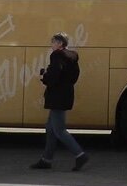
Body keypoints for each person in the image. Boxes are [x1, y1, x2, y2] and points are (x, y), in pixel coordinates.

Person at [30, 33, 89, 171]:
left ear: (60, 43)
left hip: (57, 95)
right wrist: (65, 83)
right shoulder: (72, 56)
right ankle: (46, 159)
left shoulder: (57, 55)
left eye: (53, 42)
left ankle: (80, 155)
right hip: (66, 93)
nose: (51, 44)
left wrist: (45, 77)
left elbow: (54, 74)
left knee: (59, 129)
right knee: (50, 128)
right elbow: (74, 75)